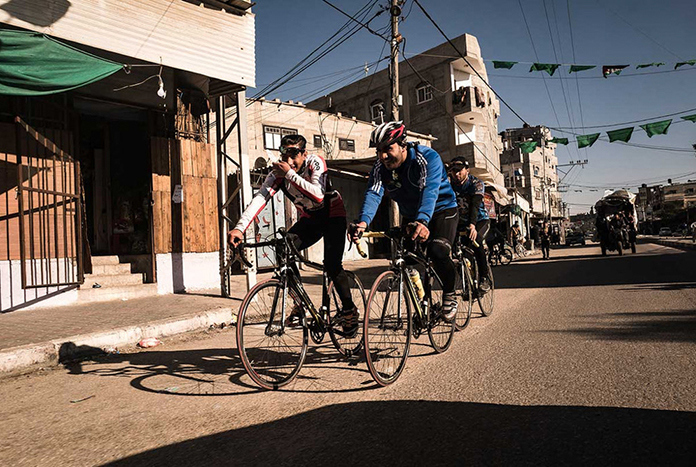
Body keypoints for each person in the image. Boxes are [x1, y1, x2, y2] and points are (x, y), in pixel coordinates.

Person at [228, 134, 358, 335]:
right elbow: (260, 198)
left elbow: (317, 194)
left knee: (332, 265)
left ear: (304, 154)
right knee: (282, 248)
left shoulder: (315, 162)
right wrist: (240, 227)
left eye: (294, 154)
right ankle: (300, 303)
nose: (289, 160)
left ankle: (349, 310)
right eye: (284, 154)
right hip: (310, 219)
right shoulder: (278, 174)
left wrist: (289, 174)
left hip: (333, 215)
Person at [348, 121, 460, 322]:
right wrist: (363, 223)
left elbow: (430, 190)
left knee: (437, 251)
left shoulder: (427, 158)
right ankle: (422, 300)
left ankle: (450, 295)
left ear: (402, 145)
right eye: (379, 151)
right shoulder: (379, 167)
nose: (382, 156)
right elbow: (374, 194)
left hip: (442, 210)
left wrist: (423, 221)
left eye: (388, 149)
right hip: (412, 215)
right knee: (405, 260)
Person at [447, 157, 491, 291]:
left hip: (479, 220)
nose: (457, 174)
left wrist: (472, 225)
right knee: (456, 252)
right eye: (454, 171)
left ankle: (485, 278)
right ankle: (467, 281)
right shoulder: (450, 186)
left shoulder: (476, 183)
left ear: (467, 170)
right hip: (460, 222)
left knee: (476, 241)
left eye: (460, 171)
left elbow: (475, 206)